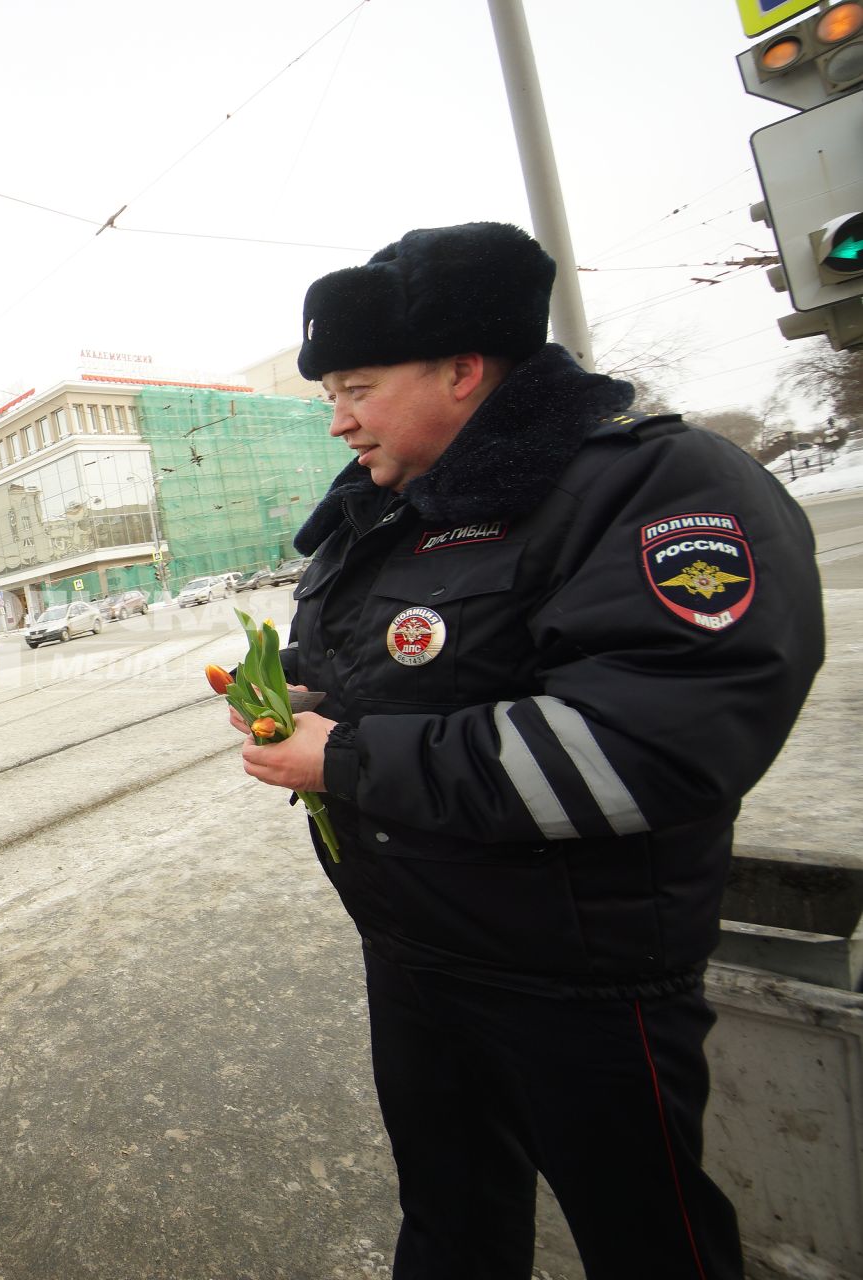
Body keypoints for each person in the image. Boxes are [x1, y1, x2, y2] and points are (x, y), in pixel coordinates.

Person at [234, 222, 822, 1279]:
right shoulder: (381, 515)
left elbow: (644, 745)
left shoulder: (655, 486)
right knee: (451, 1225)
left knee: (648, 1243)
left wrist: (348, 760)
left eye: (354, 387)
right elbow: (373, 678)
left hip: (582, 985)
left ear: (461, 370)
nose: (336, 421)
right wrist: (290, 702)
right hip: (415, 957)